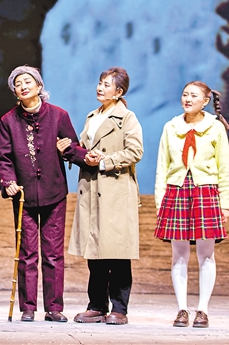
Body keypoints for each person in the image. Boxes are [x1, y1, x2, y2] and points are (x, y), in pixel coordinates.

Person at [0, 65, 83, 323]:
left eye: (28, 82)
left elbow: (74, 147)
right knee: (27, 253)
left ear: (39, 86)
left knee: (53, 253)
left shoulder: (59, 115)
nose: (23, 86)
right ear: (15, 91)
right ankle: (28, 307)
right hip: (23, 196)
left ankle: (54, 307)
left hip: (53, 193)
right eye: (18, 84)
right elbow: (3, 158)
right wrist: (8, 181)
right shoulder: (8, 121)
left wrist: (69, 150)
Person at [62, 67, 143, 325]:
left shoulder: (126, 118)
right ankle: (97, 305)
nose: (100, 87)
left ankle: (119, 309)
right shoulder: (92, 116)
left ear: (118, 92)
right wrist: (74, 151)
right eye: (100, 82)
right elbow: (85, 149)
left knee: (117, 252)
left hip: (115, 191)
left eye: (107, 85)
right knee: (95, 251)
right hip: (91, 191)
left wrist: (105, 160)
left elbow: (135, 151)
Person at [154, 81, 229, 328]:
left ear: (205, 101)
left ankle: (203, 310)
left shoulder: (215, 127)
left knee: (206, 254)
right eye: (185, 94)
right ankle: (182, 310)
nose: (187, 99)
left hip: (205, 191)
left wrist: (225, 204)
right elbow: (162, 167)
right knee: (179, 254)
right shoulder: (171, 127)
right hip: (176, 191)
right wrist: (160, 202)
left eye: (194, 96)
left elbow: (224, 168)